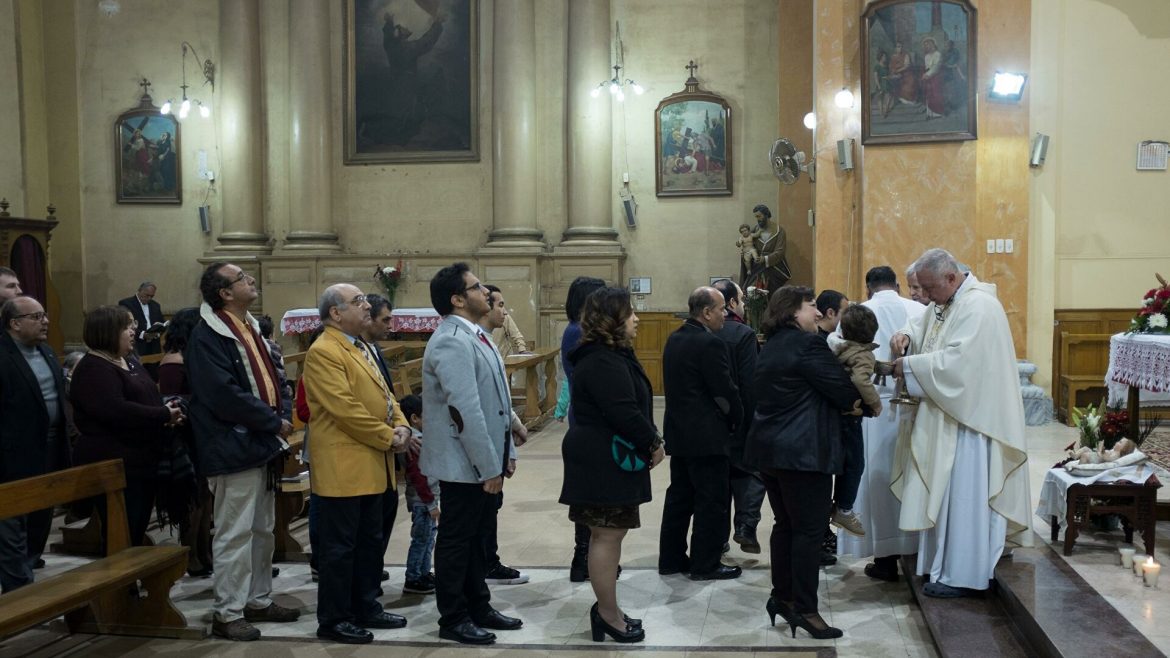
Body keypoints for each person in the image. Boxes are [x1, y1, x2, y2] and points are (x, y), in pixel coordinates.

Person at [890, 248, 1032, 598]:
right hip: (953, 418)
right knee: (950, 500)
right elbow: (926, 326)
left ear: (951, 278)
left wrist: (908, 367)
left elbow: (958, 364)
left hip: (971, 428)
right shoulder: (950, 301)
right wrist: (906, 334)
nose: (925, 297)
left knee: (965, 500)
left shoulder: (978, 307)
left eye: (928, 288)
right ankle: (944, 565)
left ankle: (964, 575)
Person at [186, 263, 299, 642]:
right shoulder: (208, 336)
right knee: (234, 532)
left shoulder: (249, 327)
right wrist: (271, 422)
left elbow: (276, 378)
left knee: (262, 530)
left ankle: (258, 599)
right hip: (231, 444)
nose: (251, 280)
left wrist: (281, 416)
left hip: (260, 443)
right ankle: (227, 611)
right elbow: (221, 394)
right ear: (224, 293)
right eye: (242, 278)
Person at [744, 286, 859, 640]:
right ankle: (806, 609)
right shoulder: (809, 345)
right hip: (804, 454)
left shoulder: (770, 344)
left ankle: (782, 597)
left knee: (785, 526)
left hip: (771, 452)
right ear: (794, 313)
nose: (818, 314)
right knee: (809, 532)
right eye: (812, 307)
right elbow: (843, 390)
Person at [304, 283, 412, 644]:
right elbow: (344, 410)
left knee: (369, 542)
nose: (367, 306)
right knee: (339, 549)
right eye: (358, 301)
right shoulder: (323, 351)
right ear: (335, 313)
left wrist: (402, 424)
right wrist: (388, 436)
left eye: (365, 299)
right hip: (344, 466)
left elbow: (387, 395)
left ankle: (366, 606)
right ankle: (334, 619)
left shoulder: (361, 345)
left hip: (373, 465)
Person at [420, 262, 522, 645]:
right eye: (477, 287)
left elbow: (496, 398)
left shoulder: (475, 335)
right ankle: (454, 616)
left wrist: (508, 446)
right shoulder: (450, 339)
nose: (485, 292)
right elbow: (465, 410)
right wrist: (487, 466)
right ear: (458, 299)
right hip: (463, 463)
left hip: (480, 460)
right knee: (456, 540)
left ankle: (479, 604)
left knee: (478, 537)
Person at [560, 287, 663, 643]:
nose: (636, 318)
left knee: (610, 534)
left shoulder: (608, 354)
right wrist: (653, 440)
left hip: (605, 455)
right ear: (612, 319)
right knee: (605, 535)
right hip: (601, 458)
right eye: (630, 312)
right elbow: (623, 411)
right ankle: (606, 614)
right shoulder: (601, 359)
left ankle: (610, 610)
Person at [837, 266, 926, 582]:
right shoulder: (919, 310)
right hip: (916, 407)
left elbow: (838, 352)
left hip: (872, 410)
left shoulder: (859, 312)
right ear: (898, 284)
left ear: (868, 287)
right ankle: (917, 553)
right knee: (911, 479)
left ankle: (885, 560)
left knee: (876, 485)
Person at [71, 305, 184, 547]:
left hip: (141, 457)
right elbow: (115, 409)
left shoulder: (129, 361)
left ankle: (130, 576)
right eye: (126, 327)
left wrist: (169, 412)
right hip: (114, 459)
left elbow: (150, 395)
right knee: (121, 526)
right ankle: (122, 580)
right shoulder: (93, 368)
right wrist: (163, 414)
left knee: (136, 523)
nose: (133, 331)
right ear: (106, 331)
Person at [658, 287, 743, 580]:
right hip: (707, 437)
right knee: (712, 501)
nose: (725, 314)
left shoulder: (675, 338)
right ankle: (705, 564)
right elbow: (725, 391)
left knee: (679, 498)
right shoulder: (710, 344)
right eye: (721, 309)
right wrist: (738, 419)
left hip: (680, 435)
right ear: (706, 312)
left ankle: (670, 559)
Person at [0, 296, 69, 593]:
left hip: (50, 447)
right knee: (12, 521)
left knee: (42, 516)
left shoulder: (47, 352)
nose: (46, 321)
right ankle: (18, 583)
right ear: (15, 323)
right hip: (12, 454)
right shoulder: (2, 355)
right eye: (37, 317)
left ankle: (27, 568)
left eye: (45, 315)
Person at [478, 285, 530, 586]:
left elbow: (500, 401)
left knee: (491, 509)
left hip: (495, 443)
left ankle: (489, 562)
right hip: (478, 451)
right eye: (499, 305)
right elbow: (473, 408)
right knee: (476, 515)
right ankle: (481, 568)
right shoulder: (468, 343)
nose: (505, 311)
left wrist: (511, 439)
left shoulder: (488, 345)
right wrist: (490, 461)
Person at [158, 307, 214, 578]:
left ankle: (205, 551)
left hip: (201, 434)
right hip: (184, 437)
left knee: (205, 497)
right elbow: (172, 402)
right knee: (193, 499)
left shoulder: (191, 358)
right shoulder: (173, 363)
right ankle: (190, 553)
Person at [559, 276, 607, 582]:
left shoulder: (580, 330)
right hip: (589, 421)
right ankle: (585, 558)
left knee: (592, 494)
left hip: (586, 418)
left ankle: (586, 558)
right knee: (591, 496)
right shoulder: (578, 331)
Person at [712, 279, 763, 554]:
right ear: (731, 303)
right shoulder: (742, 333)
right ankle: (745, 525)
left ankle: (718, 538)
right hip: (739, 416)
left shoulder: (696, 331)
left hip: (709, 423)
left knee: (720, 480)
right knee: (752, 471)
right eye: (741, 299)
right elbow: (750, 382)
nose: (743, 304)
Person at [825, 304, 883, 538]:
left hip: (835, 415)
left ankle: (837, 505)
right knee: (856, 464)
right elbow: (861, 378)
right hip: (852, 419)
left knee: (843, 464)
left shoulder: (836, 346)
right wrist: (876, 404)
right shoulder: (864, 354)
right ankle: (845, 508)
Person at [399, 394, 439, 596]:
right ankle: (413, 577)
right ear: (415, 418)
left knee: (429, 537)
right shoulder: (415, 443)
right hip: (422, 500)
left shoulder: (418, 439)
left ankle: (424, 572)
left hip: (427, 499)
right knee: (421, 539)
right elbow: (420, 476)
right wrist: (430, 503)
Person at [741, 205, 791, 294]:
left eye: (759, 216)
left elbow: (780, 251)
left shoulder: (779, 231)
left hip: (774, 268)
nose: (757, 219)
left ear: (766, 215)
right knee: (752, 290)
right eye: (756, 217)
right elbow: (748, 245)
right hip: (757, 268)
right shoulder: (754, 230)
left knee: (772, 292)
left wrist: (765, 259)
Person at [119, 281, 165, 377]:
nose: (149, 298)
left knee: (154, 375)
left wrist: (157, 332)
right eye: (146, 295)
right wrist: (143, 334)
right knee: (139, 374)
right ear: (139, 291)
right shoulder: (126, 303)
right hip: (137, 343)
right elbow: (124, 325)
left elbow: (161, 322)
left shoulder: (155, 305)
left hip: (154, 344)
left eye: (151, 296)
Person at [920, 38, 945, 118]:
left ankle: (938, 113)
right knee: (928, 94)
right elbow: (927, 67)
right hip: (928, 76)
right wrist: (925, 74)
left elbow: (936, 67)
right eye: (926, 45)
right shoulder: (926, 56)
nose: (927, 47)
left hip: (936, 76)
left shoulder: (938, 54)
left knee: (936, 94)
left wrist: (927, 74)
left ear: (933, 45)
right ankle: (929, 113)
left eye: (929, 45)